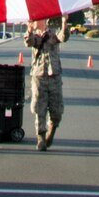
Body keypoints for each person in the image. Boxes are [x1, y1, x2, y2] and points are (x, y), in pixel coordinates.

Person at [23, 18, 69, 149]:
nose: (35, 21)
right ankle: (41, 137)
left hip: (54, 76)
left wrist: (64, 23)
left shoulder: (53, 34)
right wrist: (29, 30)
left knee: (57, 110)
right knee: (39, 109)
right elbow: (29, 42)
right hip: (39, 76)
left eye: (38, 20)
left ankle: (52, 129)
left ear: (45, 21)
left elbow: (63, 37)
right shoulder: (34, 36)